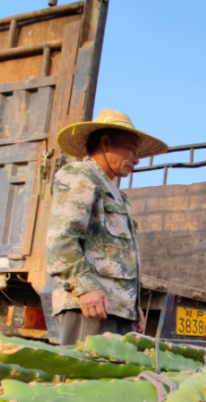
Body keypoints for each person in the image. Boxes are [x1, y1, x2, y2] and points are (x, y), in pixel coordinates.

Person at [47, 110, 168, 345]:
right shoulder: (80, 175)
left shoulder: (117, 195)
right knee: (84, 378)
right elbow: (62, 238)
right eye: (132, 150)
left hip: (115, 309)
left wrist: (133, 307)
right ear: (105, 143)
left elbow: (118, 257)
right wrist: (85, 288)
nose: (137, 159)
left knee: (112, 379)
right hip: (90, 305)